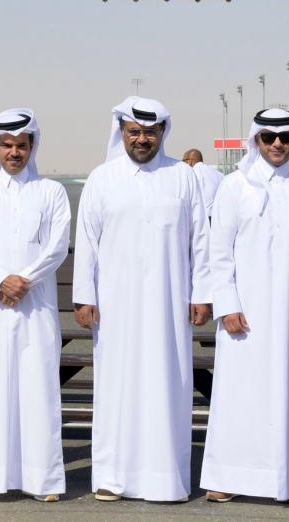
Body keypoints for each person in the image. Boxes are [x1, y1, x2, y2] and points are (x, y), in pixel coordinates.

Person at [73, 96, 210, 503]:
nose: (142, 139)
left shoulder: (183, 177)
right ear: (121, 132)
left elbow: (200, 240)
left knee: (168, 385)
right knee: (117, 387)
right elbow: (87, 243)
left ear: (163, 133)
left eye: (150, 132)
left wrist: (202, 294)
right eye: (134, 131)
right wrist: (84, 296)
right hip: (115, 306)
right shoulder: (102, 177)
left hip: (170, 305)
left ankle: (164, 480)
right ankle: (112, 478)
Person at [200, 108, 289, 503]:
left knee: (288, 394)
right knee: (236, 395)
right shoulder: (232, 186)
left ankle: (284, 482)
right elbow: (218, 253)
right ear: (255, 139)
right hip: (242, 316)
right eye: (268, 137)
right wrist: (226, 303)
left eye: (285, 137)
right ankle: (227, 478)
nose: (276, 144)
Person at [0, 108, 71, 502]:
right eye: (7, 145)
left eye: (22, 145)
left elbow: (56, 246)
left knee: (37, 385)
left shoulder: (51, 192)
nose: (14, 152)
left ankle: (42, 481)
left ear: (32, 147)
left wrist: (24, 280)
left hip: (35, 305)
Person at [182, 148, 223, 221]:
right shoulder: (218, 174)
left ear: (190, 161)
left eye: (184, 161)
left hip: (201, 219)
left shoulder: (191, 174)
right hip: (218, 219)